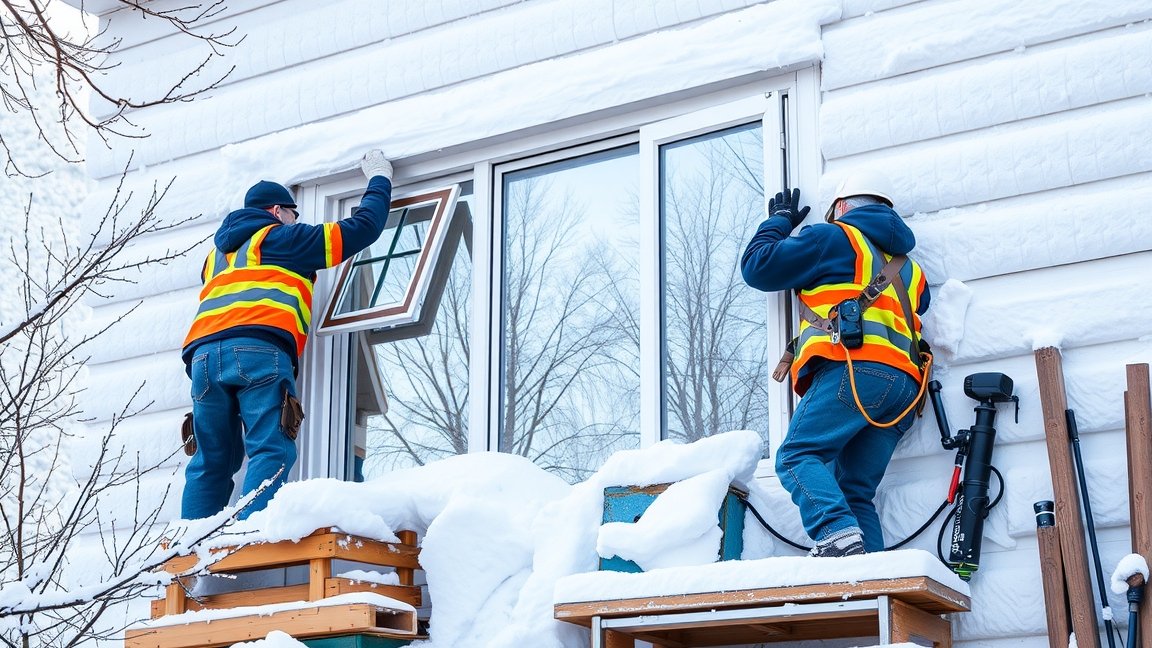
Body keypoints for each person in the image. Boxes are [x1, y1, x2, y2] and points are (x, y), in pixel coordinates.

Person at [179, 150, 395, 520]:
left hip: (202, 360)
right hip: (256, 350)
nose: (297, 221)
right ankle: (250, 539)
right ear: (278, 212)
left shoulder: (215, 258)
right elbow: (362, 228)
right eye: (295, 215)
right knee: (270, 448)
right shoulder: (282, 239)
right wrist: (379, 178)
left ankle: (189, 549)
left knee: (210, 461)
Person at [740, 170, 931, 557]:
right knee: (854, 492)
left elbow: (757, 267)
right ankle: (872, 577)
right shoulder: (911, 269)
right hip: (905, 390)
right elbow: (920, 305)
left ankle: (835, 534)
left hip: (855, 370)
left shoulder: (833, 237)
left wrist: (779, 223)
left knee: (796, 456)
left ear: (841, 207)